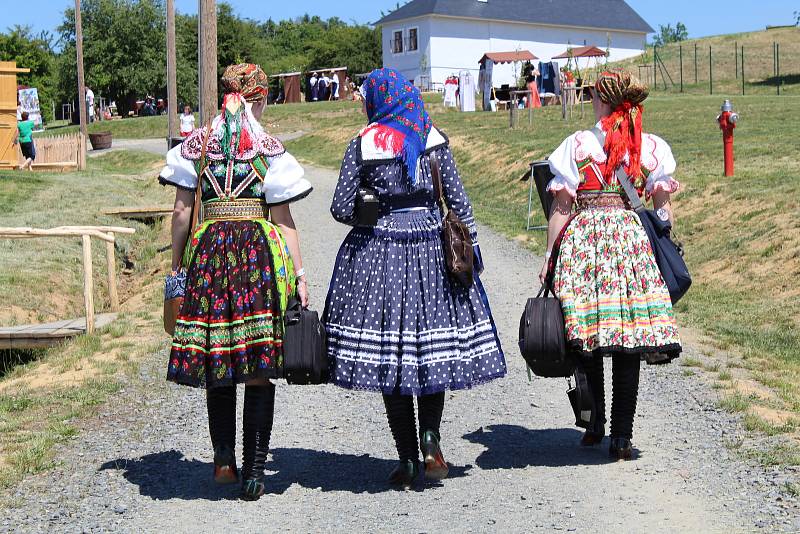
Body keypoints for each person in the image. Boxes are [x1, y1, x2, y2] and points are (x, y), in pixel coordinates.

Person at [324, 68, 506, 487]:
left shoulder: (364, 144)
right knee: (430, 349)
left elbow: (339, 206)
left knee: (392, 356)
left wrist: (368, 214)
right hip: (430, 253)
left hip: (380, 253)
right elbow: (458, 203)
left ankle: (406, 459)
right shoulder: (433, 139)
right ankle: (431, 441)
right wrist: (471, 250)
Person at [158, 63, 312, 500]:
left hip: (209, 254)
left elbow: (182, 212)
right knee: (258, 366)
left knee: (218, 359)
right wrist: (299, 276)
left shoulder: (197, 145)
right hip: (256, 258)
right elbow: (283, 219)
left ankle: (224, 460)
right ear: (259, 99)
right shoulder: (268, 149)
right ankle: (256, 472)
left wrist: (177, 266)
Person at [541, 69, 681, 460]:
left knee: (585, 334)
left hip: (586, 244)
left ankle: (595, 423)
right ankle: (621, 437)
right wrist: (662, 238)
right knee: (627, 341)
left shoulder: (578, 145)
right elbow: (662, 208)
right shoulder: (647, 146)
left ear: (600, 99)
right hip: (630, 245)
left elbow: (562, 206)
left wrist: (551, 253)